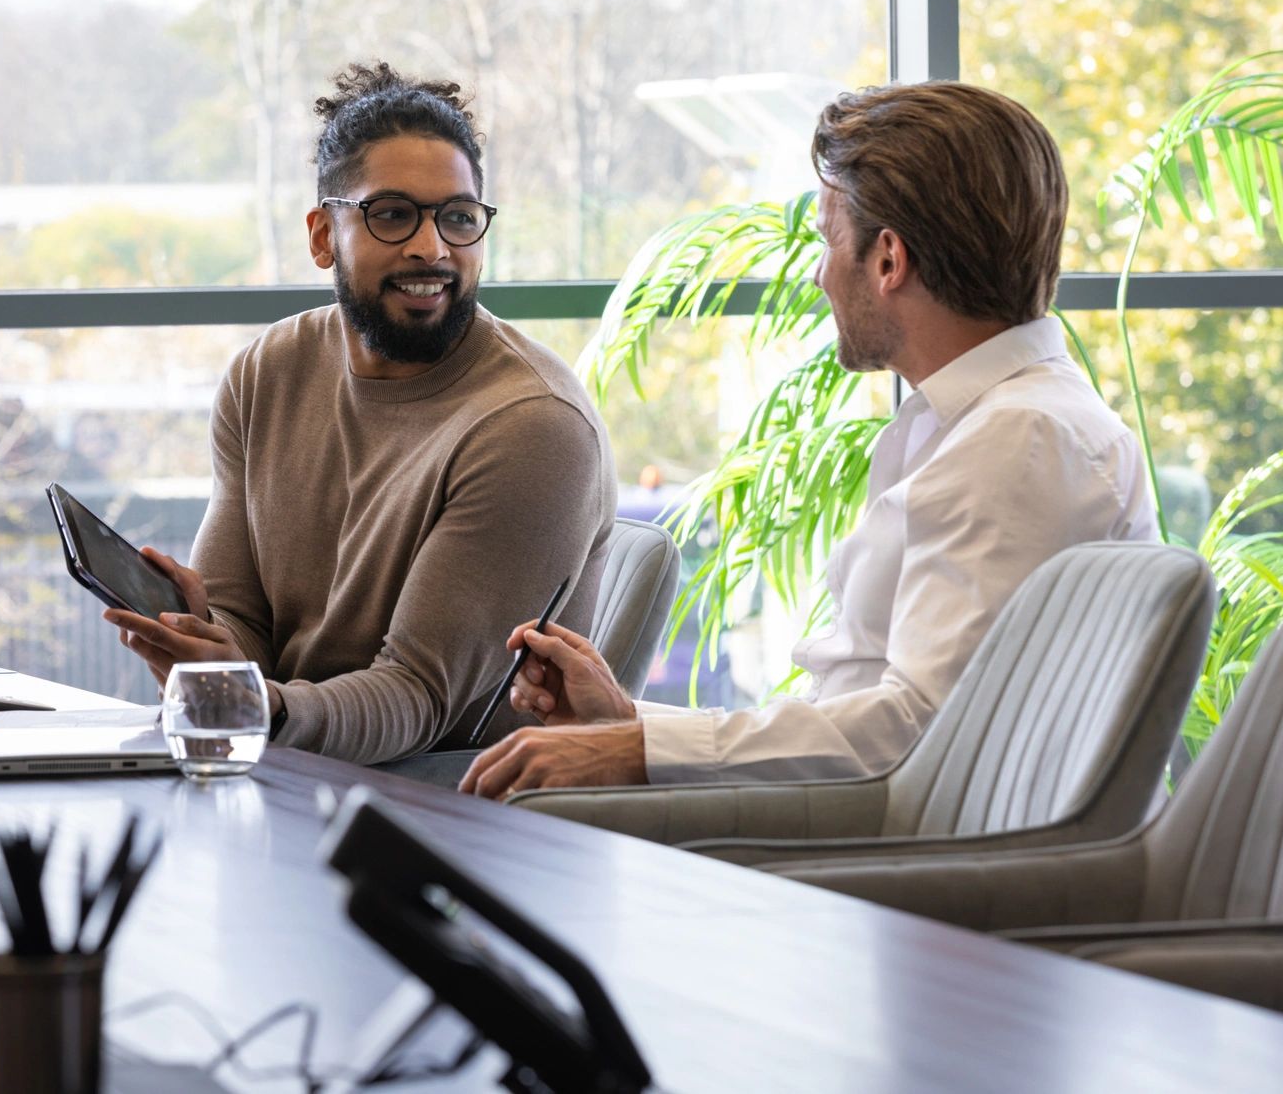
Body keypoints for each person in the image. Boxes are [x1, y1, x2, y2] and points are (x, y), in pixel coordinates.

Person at [460, 81, 1155, 800]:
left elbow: (912, 735)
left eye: (828, 240)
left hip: (894, 879)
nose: (821, 275)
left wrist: (636, 751)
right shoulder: (987, 428)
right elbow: (865, 724)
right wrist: (628, 724)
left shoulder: (1023, 443)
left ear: (888, 260)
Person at [102, 62, 618, 767]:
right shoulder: (266, 375)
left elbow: (416, 696)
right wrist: (205, 651)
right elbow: (243, 625)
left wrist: (254, 702)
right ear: (323, 236)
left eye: (458, 218)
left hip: (445, 811)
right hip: (286, 771)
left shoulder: (533, 426)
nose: (431, 249)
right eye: (393, 214)